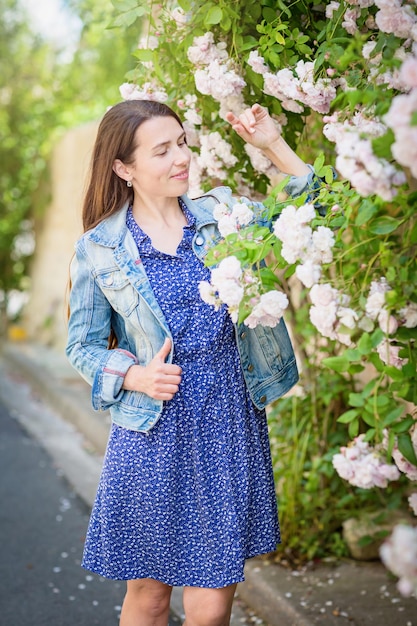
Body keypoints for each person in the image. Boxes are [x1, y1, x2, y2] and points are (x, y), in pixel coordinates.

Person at [66, 100, 315, 626]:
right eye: (163, 150)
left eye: (182, 142)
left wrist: (271, 142)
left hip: (226, 418)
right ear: (123, 168)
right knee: (150, 596)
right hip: (151, 427)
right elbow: (81, 346)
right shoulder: (100, 249)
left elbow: (310, 203)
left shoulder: (222, 216)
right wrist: (133, 374)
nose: (182, 157)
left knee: (210, 605)